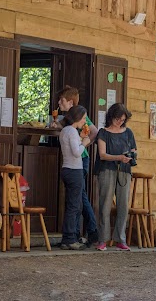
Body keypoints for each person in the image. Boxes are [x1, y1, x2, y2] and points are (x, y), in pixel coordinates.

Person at [52, 86, 99, 246]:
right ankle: (75, 235)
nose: (59, 103)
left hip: (79, 161)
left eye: (62, 100)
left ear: (70, 103)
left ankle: (83, 232)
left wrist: (86, 142)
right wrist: (83, 143)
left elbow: (94, 131)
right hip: (74, 165)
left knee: (79, 199)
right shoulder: (69, 128)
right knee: (76, 201)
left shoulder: (78, 118)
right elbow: (75, 149)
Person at [94, 103, 136, 251]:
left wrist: (131, 156)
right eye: (118, 119)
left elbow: (133, 150)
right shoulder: (103, 133)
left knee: (123, 205)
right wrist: (119, 157)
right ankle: (103, 239)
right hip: (107, 170)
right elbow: (102, 155)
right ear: (111, 116)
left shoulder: (128, 132)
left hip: (125, 171)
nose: (120, 122)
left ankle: (120, 238)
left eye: (123, 120)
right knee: (105, 204)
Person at [59, 105, 91, 250]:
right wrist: (84, 143)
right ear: (77, 117)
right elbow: (77, 152)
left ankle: (69, 237)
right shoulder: (72, 131)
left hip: (66, 168)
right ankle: (69, 238)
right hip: (74, 170)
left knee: (73, 204)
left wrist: (80, 138)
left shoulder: (65, 131)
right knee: (74, 206)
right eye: (83, 118)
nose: (84, 121)